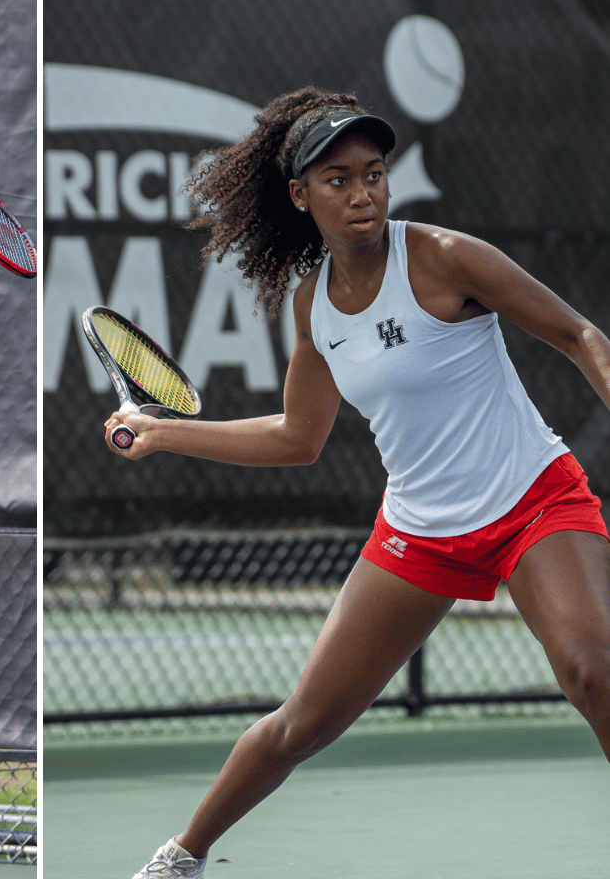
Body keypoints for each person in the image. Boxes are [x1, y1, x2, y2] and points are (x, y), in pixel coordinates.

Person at [115, 86, 610, 879]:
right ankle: (178, 860)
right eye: (338, 179)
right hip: (419, 530)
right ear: (300, 195)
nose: (362, 193)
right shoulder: (314, 308)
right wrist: (164, 431)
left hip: (533, 502)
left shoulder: (447, 257)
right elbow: (296, 437)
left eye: (373, 173)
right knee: (302, 724)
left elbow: (581, 336)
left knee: (594, 671)